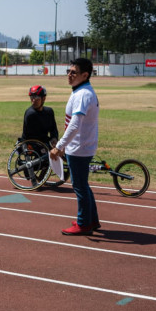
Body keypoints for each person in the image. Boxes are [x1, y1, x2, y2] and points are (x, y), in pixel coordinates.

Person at [50, 58, 101, 236]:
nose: (69, 75)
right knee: (83, 185)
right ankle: (91, 219)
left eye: (74, 72)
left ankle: (84, 223)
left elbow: (74, 125)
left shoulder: (82, 94)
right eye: (68, 71)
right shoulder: (81, 91)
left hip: (79, 148)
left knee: (79, 187)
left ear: (85, 75)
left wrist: (59, 146)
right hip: (80, 146)